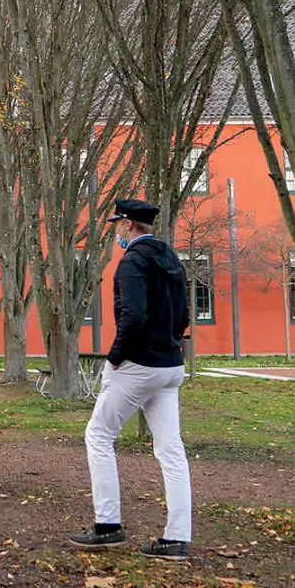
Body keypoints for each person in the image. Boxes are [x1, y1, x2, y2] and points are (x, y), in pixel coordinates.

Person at [71, 198, 193, 563]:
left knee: (98, 434)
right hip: (170, 364)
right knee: (171, 449)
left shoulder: (132, 263)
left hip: (138, 363)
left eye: (116, 227)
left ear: (126, 225)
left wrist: (115, 357)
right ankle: (177, 537)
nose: (115, 234)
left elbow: (133, 316)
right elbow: (184, 313)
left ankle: (108, 525)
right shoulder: (171, 259)